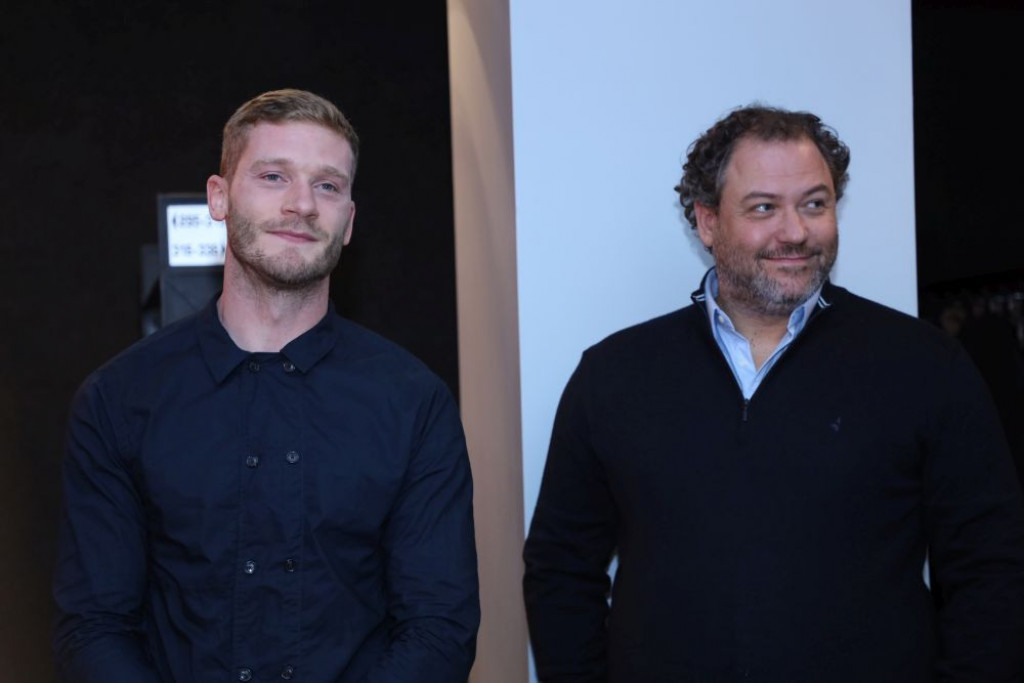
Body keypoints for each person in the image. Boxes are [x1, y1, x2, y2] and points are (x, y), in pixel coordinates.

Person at [522, 104, 1024, 681]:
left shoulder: (925, 365)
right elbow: (561, 569)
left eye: (814, 204)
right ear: (707, 222)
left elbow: (991, 566)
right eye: (764, 207)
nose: (795, 232)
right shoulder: (615, 374)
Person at [53, 89, 479, 682]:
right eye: (274, 176)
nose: (302, 204)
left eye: (327, 185)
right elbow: (93, 626)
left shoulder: (412, 402)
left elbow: (438, 628)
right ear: (219, 197)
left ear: (348, 222)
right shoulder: (120, 399)